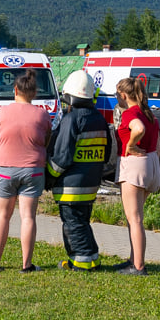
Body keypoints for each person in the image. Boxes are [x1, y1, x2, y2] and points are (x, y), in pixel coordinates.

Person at [0, 70, 51, 273]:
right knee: (28, 217)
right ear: (34, 93)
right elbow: (46, 140)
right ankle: (27, 264)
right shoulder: (42, 114)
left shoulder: (1, 112)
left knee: (2, 216)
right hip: (33, 170)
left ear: (14, 90)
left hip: (5, 169)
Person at [46, 71, 111, 272]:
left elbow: (62, 157)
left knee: (73, 224)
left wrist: (49, 177)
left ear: (70, 96)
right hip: (91, 183)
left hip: (71, 186)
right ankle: (92, 258)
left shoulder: (71, 119)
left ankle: (82, 263)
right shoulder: (99, 119)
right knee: (82, 222)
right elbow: (107, 154)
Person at [114, 77, 160, 276]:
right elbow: (158, 147)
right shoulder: (150, 114)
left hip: (134, 164)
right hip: (151, 162)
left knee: (134, 219)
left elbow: (138, 129)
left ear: (124, 95)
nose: (116, 97)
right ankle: (134, 259)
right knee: (136, 217)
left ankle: (138, 266)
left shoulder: (130, 114)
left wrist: (131, 145)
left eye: (117, 94)